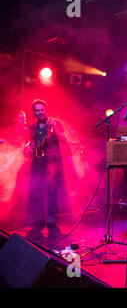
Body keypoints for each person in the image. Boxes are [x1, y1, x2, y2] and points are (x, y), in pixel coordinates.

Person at [24, 99, 66, 239]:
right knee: (38, 191)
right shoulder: (32, 126)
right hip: (37, 161)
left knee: (50, 190)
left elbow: (64, 140)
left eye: (42, 109)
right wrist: (28, 147)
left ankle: (51, 222)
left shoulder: (55, 123)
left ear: (46, 110)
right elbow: (31, 141)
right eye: (37, 110)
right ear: (34, 111)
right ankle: (40, 222)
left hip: (52, 161)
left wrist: (56, 131)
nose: (40, 112)